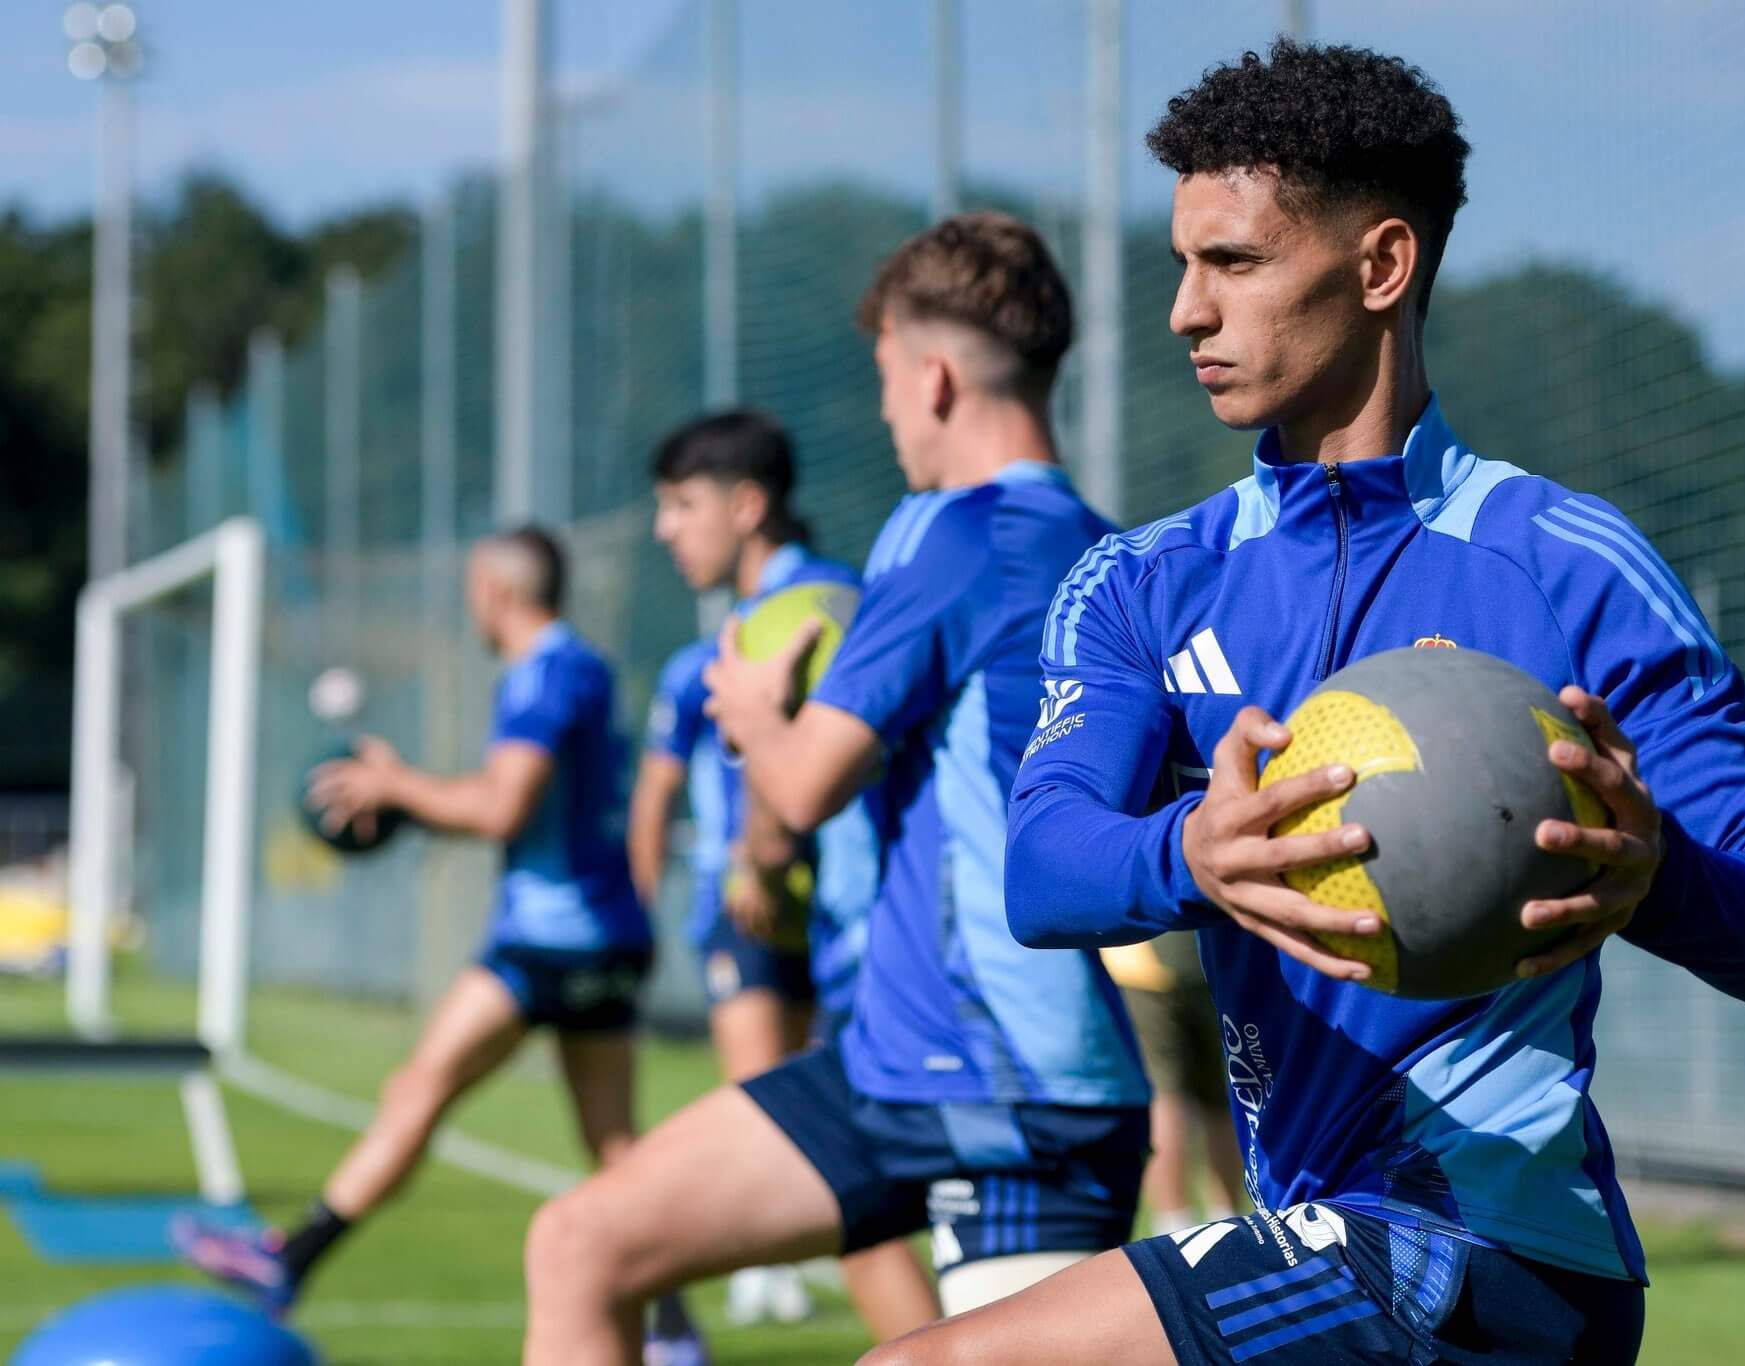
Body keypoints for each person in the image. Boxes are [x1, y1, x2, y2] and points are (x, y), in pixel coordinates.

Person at [867, 39, 1745, 1365]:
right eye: (1181, 263)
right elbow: (1043, 867)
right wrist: (1192, 853)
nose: (1184, 311)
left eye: (1232, 262)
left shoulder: (1569, 566)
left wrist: (1660, 875)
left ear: (1381, 265)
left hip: (1483, 1250)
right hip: (1318, 1228)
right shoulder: (1143, 583)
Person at [520, 212, 1152, 1366]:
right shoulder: (1121, 554)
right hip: (904, 1063)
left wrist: (754, 714)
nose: (885, 413)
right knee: (579, 1241)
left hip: (1008, 1090)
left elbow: (804, 784)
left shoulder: (947, 534)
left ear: (934, 376)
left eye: (884, 379)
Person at [174, 527, 703, 1364]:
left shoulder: (543, 675)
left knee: (419, 1087)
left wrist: (395, 786)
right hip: (604, 934)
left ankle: (290, 1262)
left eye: (471, 587)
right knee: (614, 1149)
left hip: (552, 941)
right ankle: (673, 1331)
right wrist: (410, 798)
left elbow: (501, 807)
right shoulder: (583, 667)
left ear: (496, 590)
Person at [631, 409, 936, 1335]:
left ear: (748, 506)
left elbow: (795, 782)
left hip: (832, 926)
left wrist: (756, 856)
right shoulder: (828, 598)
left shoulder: (797, 616)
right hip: (854, 924)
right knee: (856, 1191)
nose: (665, 529)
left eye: (682, 505)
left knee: (828, 1175)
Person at [1098, 934, 1243, 1236]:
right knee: (1224, 1093)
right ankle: (1228, 1222)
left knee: (1164, 1095)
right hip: (1212, 958)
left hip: (1143, 963)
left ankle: (1175, 1227)